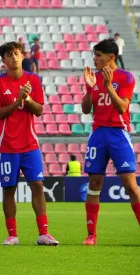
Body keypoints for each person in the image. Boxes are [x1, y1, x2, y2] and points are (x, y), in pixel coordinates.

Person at [0, 42, 59, 246]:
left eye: (17, 54)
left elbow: (39, 110)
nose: (14, 58)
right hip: (8, 145)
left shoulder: (33, 79)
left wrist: (26, 99)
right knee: (9, 189)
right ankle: (12, 235)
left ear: (22, 56)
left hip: (30, 144)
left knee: (37, 185)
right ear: (3, 60)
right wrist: (17, 101)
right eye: (9, 55)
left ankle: (44, 233)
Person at [81, 38, 140, 245]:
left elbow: (122, 107)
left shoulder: (126, 77)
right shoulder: (94, 78)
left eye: (98, 55)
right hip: (98, 134)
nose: (94, 59)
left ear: (111, 57)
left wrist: (108, 86)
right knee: (94, 183)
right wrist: (90, 88)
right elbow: (86, 110)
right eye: (94, 55)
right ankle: (91, 235)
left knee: (130, 185)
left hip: (118, 133)